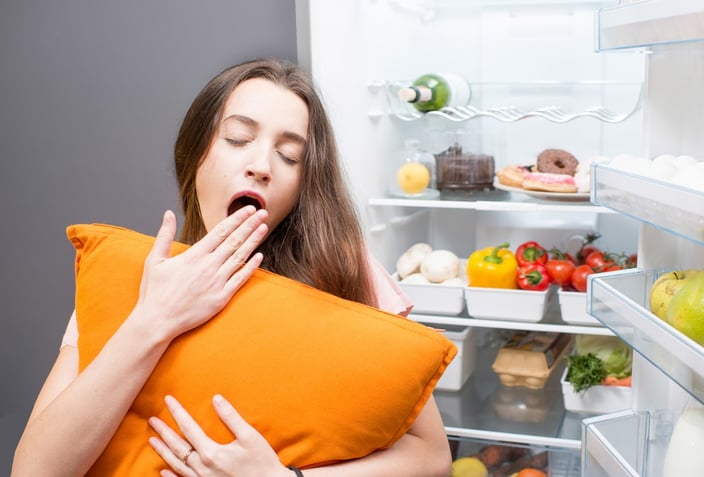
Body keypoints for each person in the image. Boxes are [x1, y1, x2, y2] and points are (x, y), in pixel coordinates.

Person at [12, 58, 453, 477]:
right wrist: (154, 319)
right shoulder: (130, 278)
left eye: (289, 155)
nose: (261, 166)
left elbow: (433, 458)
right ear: (195, 152)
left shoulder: (344, 268)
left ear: (303, 185)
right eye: (238, 138)